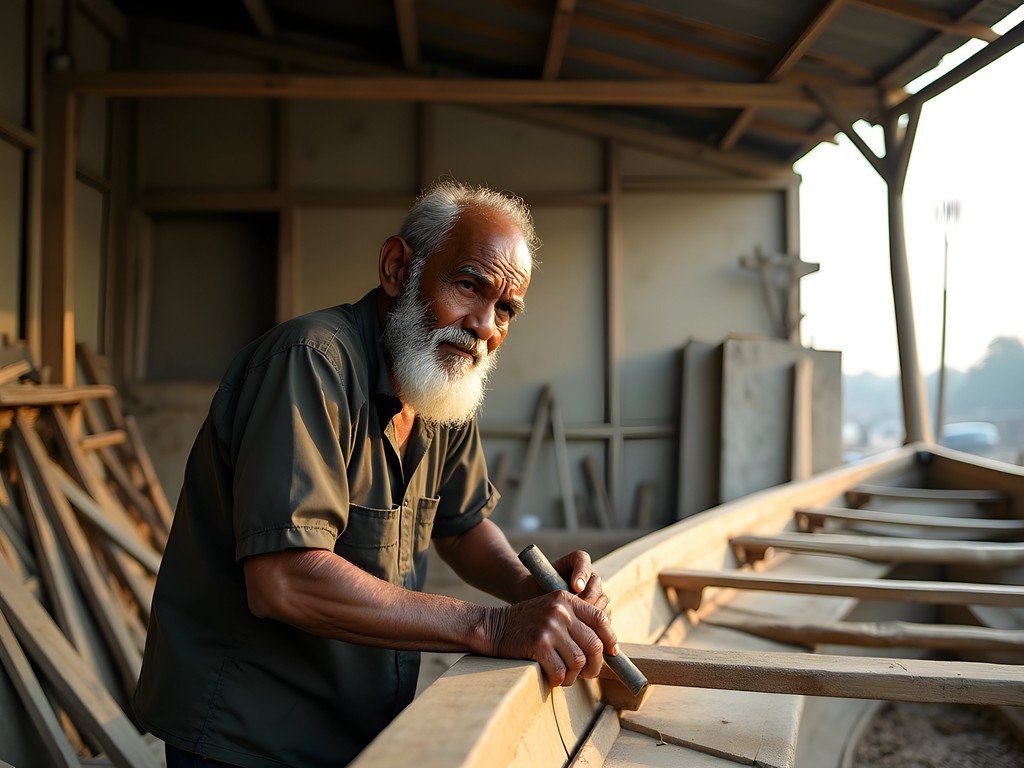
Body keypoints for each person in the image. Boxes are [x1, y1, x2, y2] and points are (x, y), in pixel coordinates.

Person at [133, 179, 619, 768]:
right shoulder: (310, 362)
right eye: (469, 285)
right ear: (396, 267)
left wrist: (532, 592)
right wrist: (494, 626)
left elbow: (462, 527)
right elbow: (284, 579)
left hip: (357, 724)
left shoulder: (440, 382)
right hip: (249, 730)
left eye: (506, 310)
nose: (485, 327)